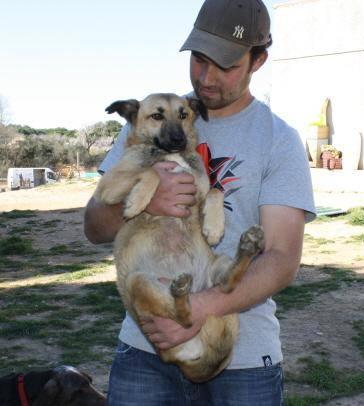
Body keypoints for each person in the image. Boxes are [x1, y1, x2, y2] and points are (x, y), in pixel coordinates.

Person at [84, 0, 316, 404]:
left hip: (240, 359)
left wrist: (196, 309)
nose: (206, 77)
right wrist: (148, 200)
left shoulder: (278, 140)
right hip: (145, 345)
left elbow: (281, 258)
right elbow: (94, 228)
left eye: (225, 64)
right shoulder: (151, 121)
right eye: (198, 59)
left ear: (258, 60)